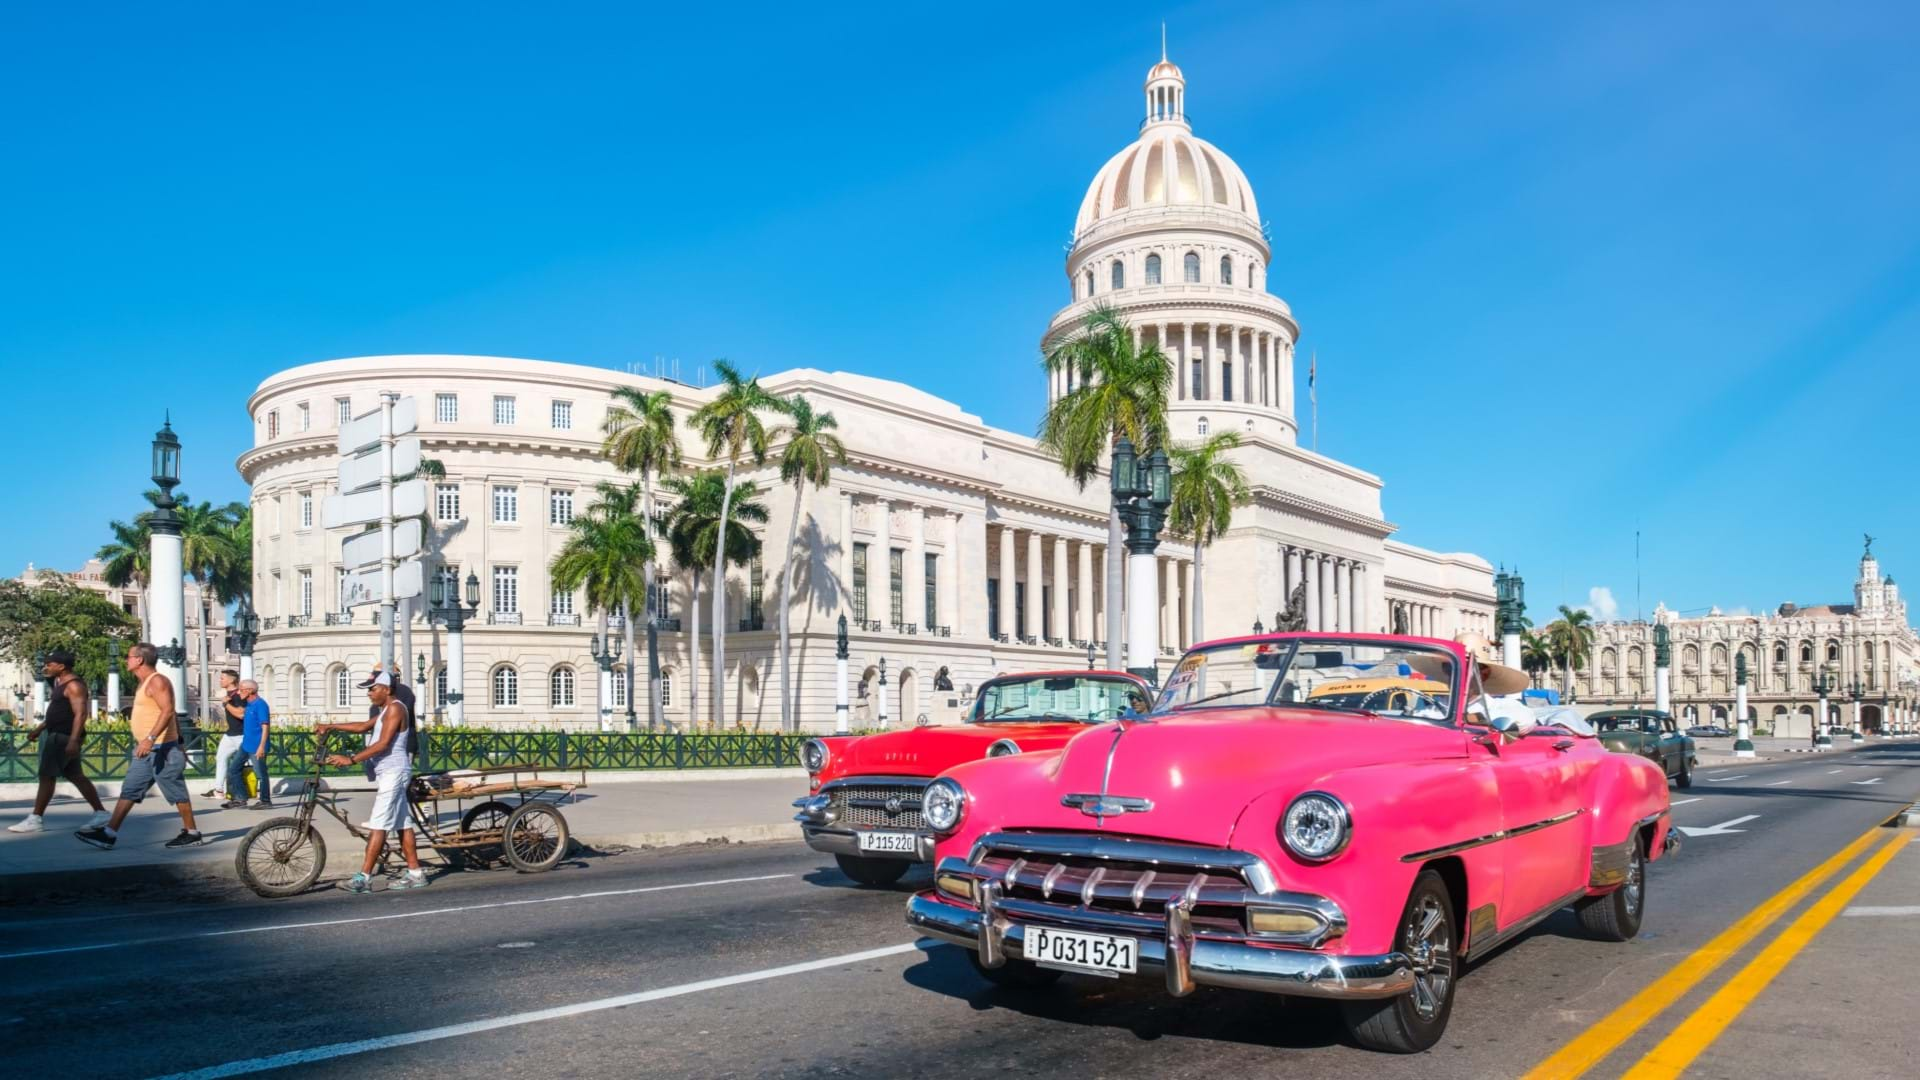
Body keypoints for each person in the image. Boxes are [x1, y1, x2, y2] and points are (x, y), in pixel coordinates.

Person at [76, 643, 202, 850]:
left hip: (162, 748)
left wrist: (152, 739)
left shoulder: (158, 681)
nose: (126, 660)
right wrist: (175, 741)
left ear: (139, 660)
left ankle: (192, 832)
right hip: (148, 749)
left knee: (175, 789)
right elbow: (169, 714)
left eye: (129, 656)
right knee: (131, 789)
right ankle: (109, 833)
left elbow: (168, 711)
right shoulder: (144, 683)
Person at [318, 671, 426, 892]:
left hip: (394, 773)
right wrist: (331, 726)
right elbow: (363, 727)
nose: (369, 693)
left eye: (372, 688)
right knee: (403, 824)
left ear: (386, 689)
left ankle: (363, 879)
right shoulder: (387, 709)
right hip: (390, 772)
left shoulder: (396, 708)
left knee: (378, 824)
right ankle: (416, 873)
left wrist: (351, 759)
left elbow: (384, 743)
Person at [7, 650, 111, 833]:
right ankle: (101, 813)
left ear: (61, 667)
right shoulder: (59, 683)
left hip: (63, 737)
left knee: (47, 775)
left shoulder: (74, 686)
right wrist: (39, 729)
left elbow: (81, 714)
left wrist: (73, 740)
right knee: (75, 775)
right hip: (59, 733)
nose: (46, 667)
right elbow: (59, 713)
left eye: (50, 664)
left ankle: (36, 819)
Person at [222, 680, 272, 809]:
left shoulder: (261, 705)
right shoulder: (249, 704)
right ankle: (240, 798)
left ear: (250, 690)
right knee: (233, 770)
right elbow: (239, 713)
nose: (239, 692)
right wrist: (227, 703)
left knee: (261, 774)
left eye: (241, 689)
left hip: (257, 747)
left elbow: (265, 726)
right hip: (245, 745)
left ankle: (265, 801)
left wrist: (261, 746)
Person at [205, 669, 246, 801]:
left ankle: (254, 790)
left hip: (242, 735)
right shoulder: (228, 695)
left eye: (222, 678)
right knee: (220, 758)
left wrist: (226, 704)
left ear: (231, 680)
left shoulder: (239, 695)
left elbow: (241, 714)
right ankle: (219, 790)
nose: (220, 680)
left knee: (250, 762)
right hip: (230, 734)